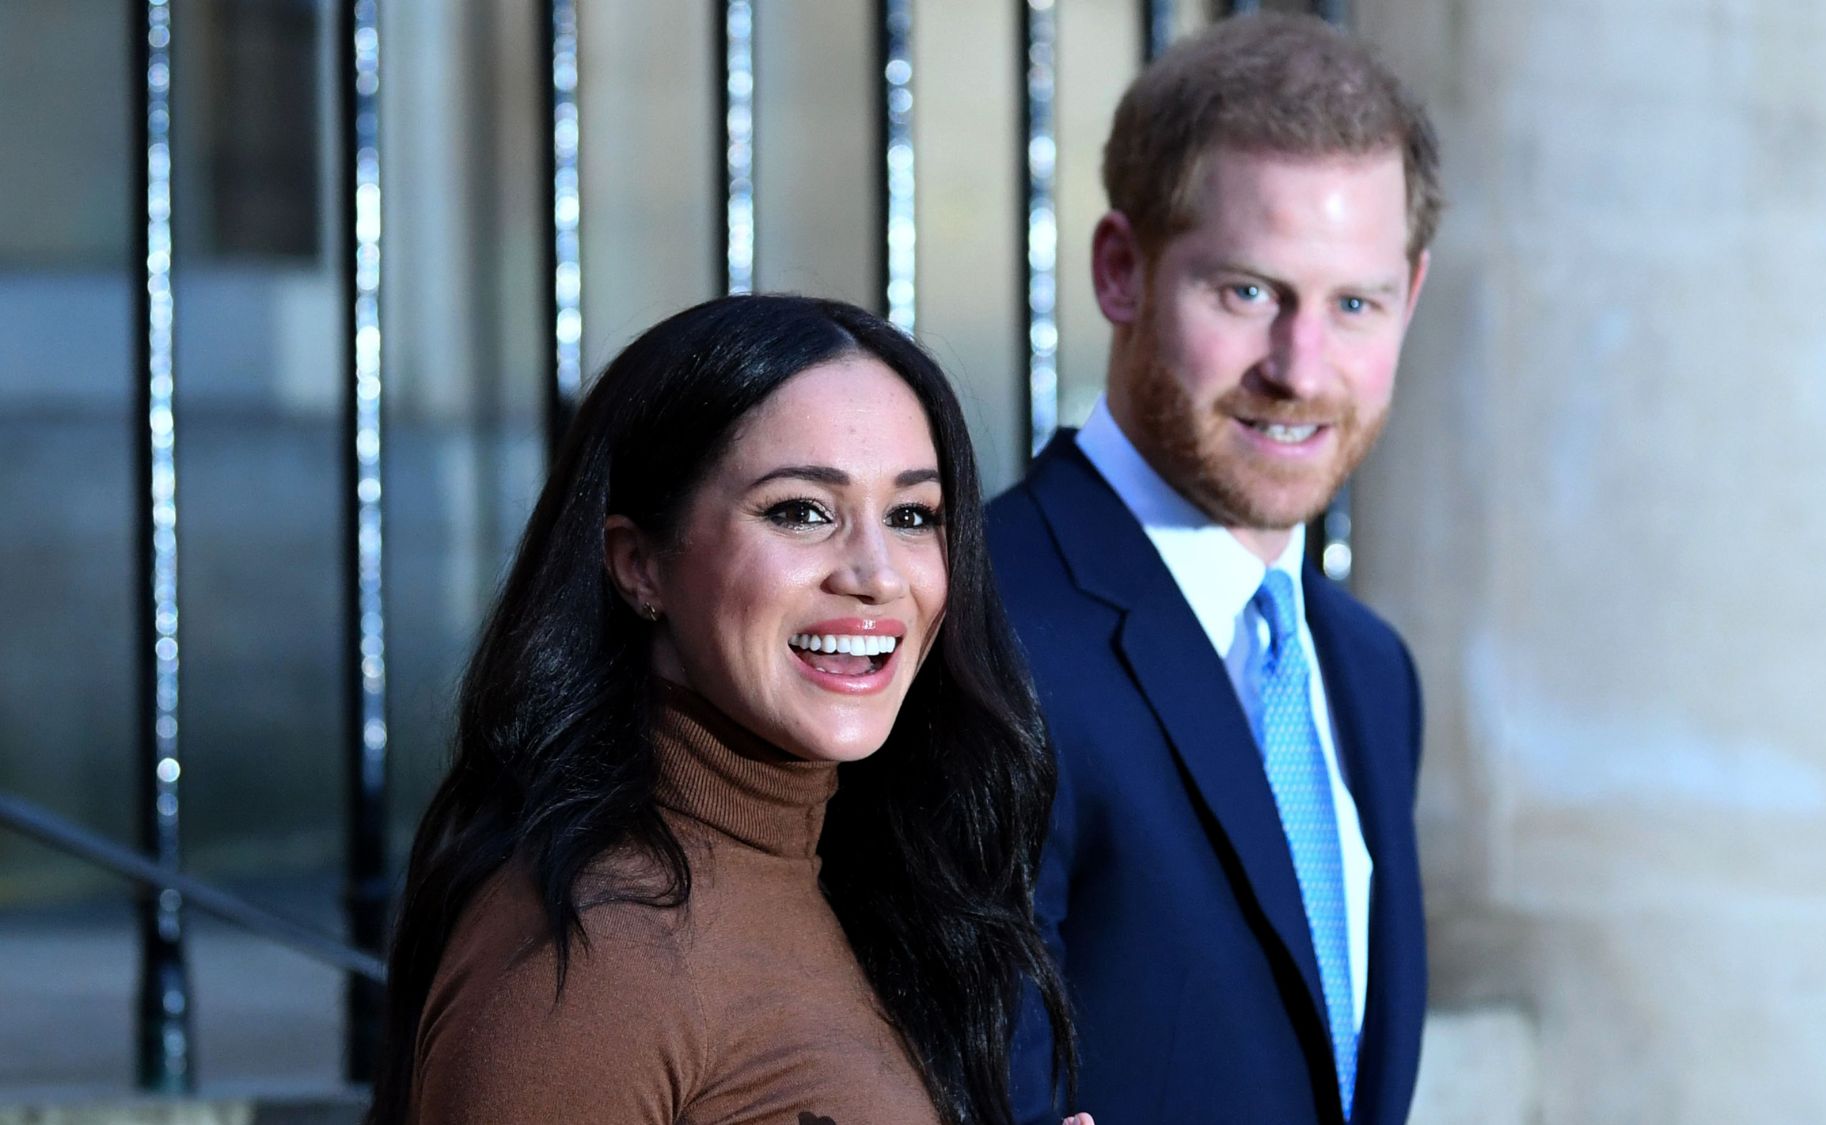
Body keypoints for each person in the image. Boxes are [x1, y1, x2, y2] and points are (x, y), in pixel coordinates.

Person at [365, 295, 1085, 1125]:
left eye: (912, 515)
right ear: (639, 565)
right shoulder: (598, 954)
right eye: (801, 511)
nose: (877, 573)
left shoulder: (854, 879)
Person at [994, 14, 1441, 1124]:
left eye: (1352, 304)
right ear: (1119, 271)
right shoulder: (983, 625)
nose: (1299, 369)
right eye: (1245, 292)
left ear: (1410, 297)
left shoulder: (1368, 670)